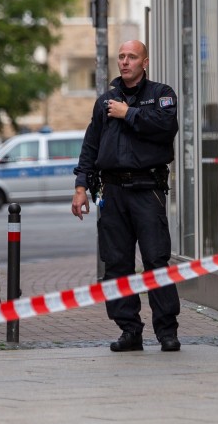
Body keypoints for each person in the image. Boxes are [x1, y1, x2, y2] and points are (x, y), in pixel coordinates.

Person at [72, 39, 181, 353]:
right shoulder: (106, 101)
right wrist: (81, 187)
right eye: (121, 57)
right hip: (113, 191)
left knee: (156, 261)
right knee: (117, 264)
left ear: (144, 62)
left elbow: (165, 127)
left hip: (148, 190)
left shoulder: (161, 94)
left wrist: (128, 113)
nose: (125, 61)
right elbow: (91, 147)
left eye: (132, 57)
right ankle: (129, 330)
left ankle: (167, 332)